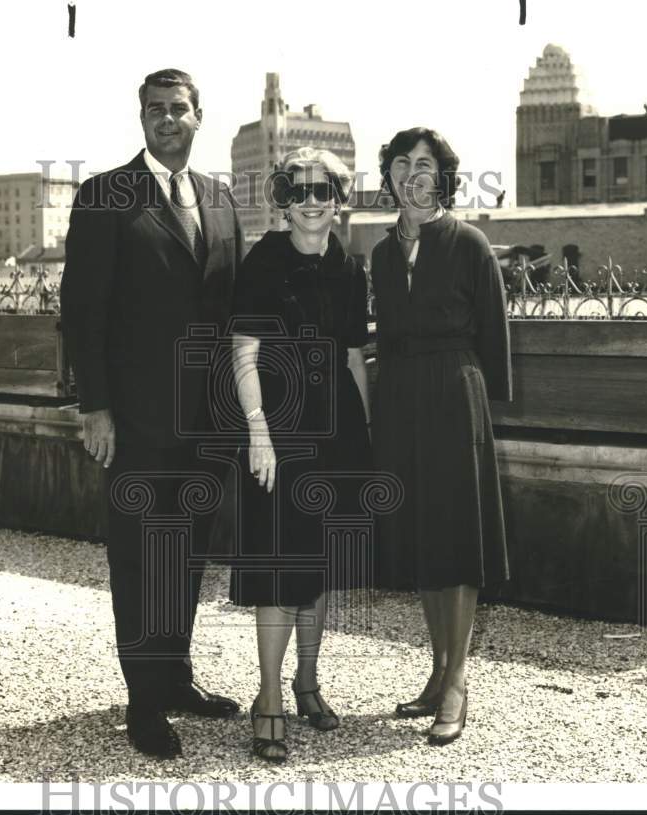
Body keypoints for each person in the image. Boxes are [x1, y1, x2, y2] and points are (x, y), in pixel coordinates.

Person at [60, 68, 242, 760]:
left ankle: (175, 677)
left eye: (179, 109)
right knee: (140, 556)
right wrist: (95, 406)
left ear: (199, 116)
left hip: (207, 422)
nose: (167, 119)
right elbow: (83, 311)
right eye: (155, 109)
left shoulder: (222, 201)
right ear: (141, 118)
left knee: (189, 553)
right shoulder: (106, 197)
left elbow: (234, 313)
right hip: (134, 419)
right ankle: (142, 700)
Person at [229, 147, 372, 763]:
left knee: (316, 571)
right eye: (301, 191)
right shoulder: (265, 259)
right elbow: (244, 353)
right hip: (279, 433)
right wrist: (258, 431)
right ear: (286, 199)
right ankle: (268, 700)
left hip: (336, 432)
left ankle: (308, 682)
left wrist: (367, 437)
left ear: (339, 199)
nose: (313, 202)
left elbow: (351, 358)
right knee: (278, 571)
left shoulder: (348, 267)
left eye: (324, 191)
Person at [370, 127, 512, 745]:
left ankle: (457, 682)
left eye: (424, 165)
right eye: (402, 163)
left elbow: (492, 333)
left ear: (443, 176)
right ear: (390, 176)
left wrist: (480, 407)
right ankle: (435, 673)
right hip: (401, 398)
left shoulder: (469, 242)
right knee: (422, 535)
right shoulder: (378, 252)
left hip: (455, 395)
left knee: (456, 534)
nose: (412, 174)